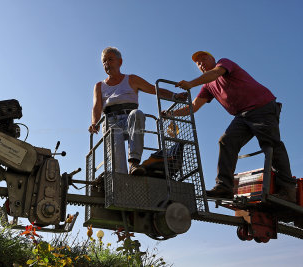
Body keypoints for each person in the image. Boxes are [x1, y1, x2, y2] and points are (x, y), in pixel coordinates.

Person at [162, 51, 296, 202]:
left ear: (213, 59)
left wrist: (191, 84)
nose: (201, 64)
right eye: (198, 63)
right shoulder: (208, 85)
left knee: (271, 145)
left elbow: (216, 73)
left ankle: (288, 191)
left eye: (204, 59)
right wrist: (171, 114)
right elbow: (194, 107)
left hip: (261, 106)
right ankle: (224, 187)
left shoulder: (223, 64)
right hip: (242, 115)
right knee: (226, 141)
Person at [89, 46, 187, 175]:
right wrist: (94, 122)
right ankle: (120, 174)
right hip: (111, 120)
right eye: (104, 61)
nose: (107, 63)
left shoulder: (131, 79)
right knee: (113, 134)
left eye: (110, 59)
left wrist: (175, 96)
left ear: (120, 62)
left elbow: (154, 90)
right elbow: (97, 106)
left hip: (129, 118)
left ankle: (134, 163)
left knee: (138, 114)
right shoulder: (99, 86)